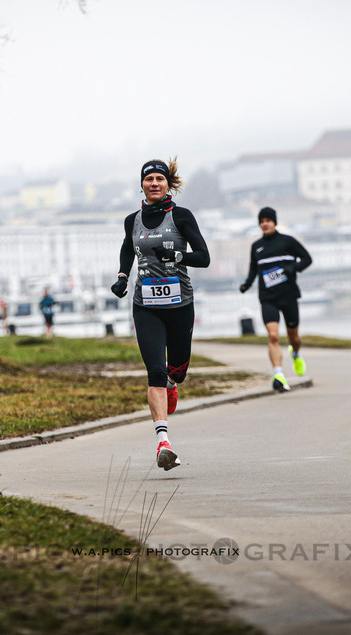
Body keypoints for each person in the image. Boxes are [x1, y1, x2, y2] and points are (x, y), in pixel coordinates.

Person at [111, 158, 210, 470]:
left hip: (180, 306)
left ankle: (173, 380)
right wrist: (122, 277)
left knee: (175, 370)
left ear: (169, 184)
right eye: (149, 179)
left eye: (160, 179)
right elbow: (128, 248)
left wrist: (177, 255)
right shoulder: (133, 220)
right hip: (146, 306)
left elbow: (204, 257)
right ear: (142, 184)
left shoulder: (181, 216)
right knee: (154, 371)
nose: (154, 183)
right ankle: (163, 443)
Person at [239, 207, 313, 393]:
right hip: (268, 298)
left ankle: (295, 353)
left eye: (268, 220)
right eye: (261, 221)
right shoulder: (256, 247)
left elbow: (307, 259)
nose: (264, 224)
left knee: (293, 337)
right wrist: (247, 284)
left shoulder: (288, 242)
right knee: (273, 336)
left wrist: (293, 268)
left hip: (288, 296)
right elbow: (254, 270)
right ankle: (279, 374)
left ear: (274, 222)